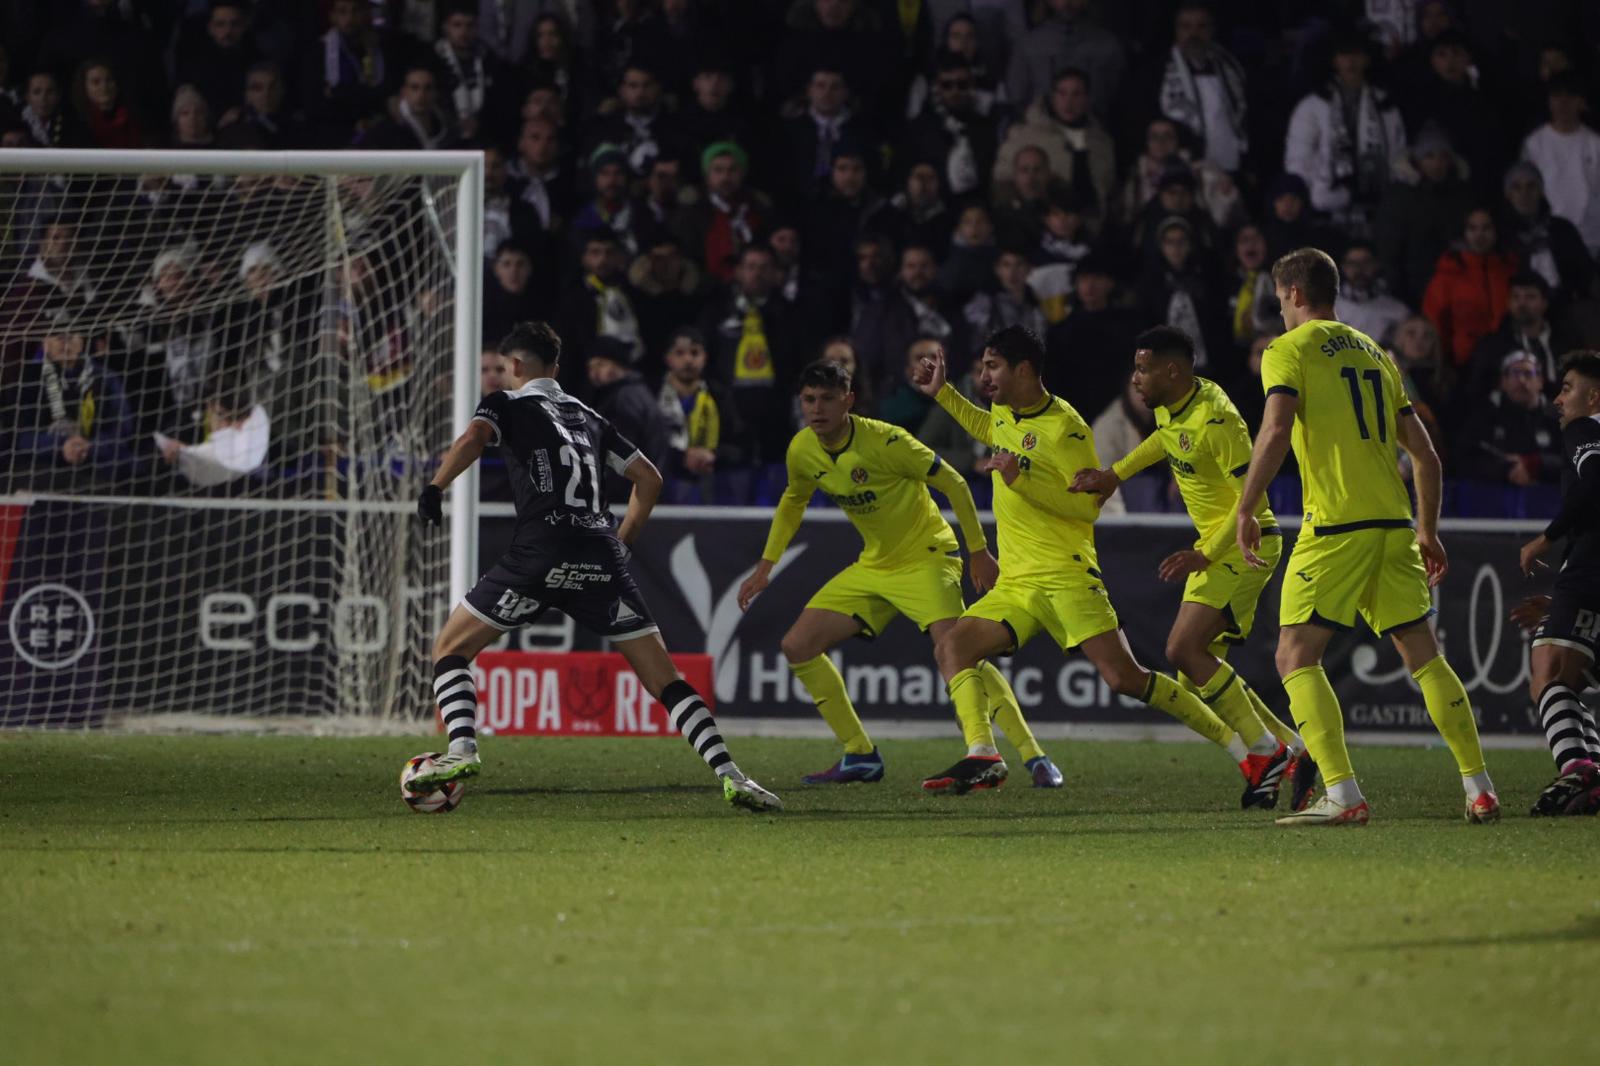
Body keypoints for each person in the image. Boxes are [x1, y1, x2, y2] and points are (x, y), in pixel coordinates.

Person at [410, 321, 782, 812]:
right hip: (599, 556)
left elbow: (475, 437)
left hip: (539, 552)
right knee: (665, 679)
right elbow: (650, 479)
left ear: (514, 365)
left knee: (449, 649)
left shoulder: (505, 403)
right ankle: (732, 776)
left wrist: (435, 487)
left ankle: (461, 749)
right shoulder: (589, 415)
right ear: (556, 366)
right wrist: (621, 544)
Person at [906, 325, 1246, 794]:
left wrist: (1021, 482)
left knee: (1125, 678)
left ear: (1023, 370)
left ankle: (1243, 749)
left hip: (1067, 575)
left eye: (992, 367)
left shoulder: (1066, 429)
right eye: (983, 366)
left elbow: (1087, 508)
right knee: (953, 649)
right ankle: (983, 753)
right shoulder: (1004, 412)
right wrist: (943, 394)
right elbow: (990, 429)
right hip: (1018, 580)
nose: (983, 377)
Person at [1232, 247, 1497, 826]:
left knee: (1294, 655)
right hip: (1395, 524)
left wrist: (1246, 506)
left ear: (1295, 294)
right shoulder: (1377, 353)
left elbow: (1276, 427)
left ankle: (1343, 794)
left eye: (1279, 299)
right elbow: (1426, 456)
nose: (1280, 310)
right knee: (1425, 657)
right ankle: (1480, 787)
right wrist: (1427, 530)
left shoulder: (1287, 349)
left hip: (1336, 524)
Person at [738, 359, 1062, 789]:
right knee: (798, 646)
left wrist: (978, 551)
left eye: (828, 399)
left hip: (928, 557)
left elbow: (955, 483)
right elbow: (794, 500)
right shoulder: (802, 449)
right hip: (876, 564)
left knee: (958, 653)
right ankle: (860, 754)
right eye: (809, 400)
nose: (817, 409)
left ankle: (1030, 755)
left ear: (849, 401)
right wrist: (765, 567)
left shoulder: (888, 442)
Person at [1072, 326, 1312, 809]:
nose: (1135, 378)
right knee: (1192, 674)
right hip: (1216, 547)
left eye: (1143, 369)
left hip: (1247, 544)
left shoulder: (1218, 421)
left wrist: (1206, 553)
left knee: (1182, 649)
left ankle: (1266, 751)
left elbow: (1251, 501)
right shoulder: (1171, 406)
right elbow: (1163, 442)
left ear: (1171, 370)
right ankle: (1295, 748)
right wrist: (1114, 474)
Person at [1515, 350, 1600, 815]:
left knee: (1548, 672)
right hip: (1587, 580)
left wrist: (1545, 539)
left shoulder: (1584, 430)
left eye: (1567, 388)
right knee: (1567, 679)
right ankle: (1591, 773)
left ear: (1594, 396)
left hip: (1588, 568)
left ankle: (1579, 769)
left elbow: (1595, 484)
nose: (1558, 399)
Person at [1421, 208, 1517, 367]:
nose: (1480, 235)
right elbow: (1434, 322)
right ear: (1464, 232)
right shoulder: (1448, 273)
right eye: (1472, 228)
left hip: (1510, 357)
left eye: (1486, 228)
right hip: (1463, 362)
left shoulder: (1510, 270)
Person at [1453, 351, 1561, 487]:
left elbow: (1575, 461)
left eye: (1528, 374)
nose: (1522, 380)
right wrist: (1506, 469)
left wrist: (1535, 465)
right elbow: (1464, 460)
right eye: (1515, 373)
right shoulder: (1486, 414)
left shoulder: (1558, 417)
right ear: (1503, 381)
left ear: (1540, 381)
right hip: (1496, 495)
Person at [1520, 73, 1600, 256]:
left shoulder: (1595, 144)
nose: (1563, 102)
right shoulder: (1534, 143)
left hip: (1591, 239)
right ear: (1549, 101)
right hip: (1546, 238)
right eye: (1557, 96)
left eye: (1570, 96)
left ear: (1580, 101)